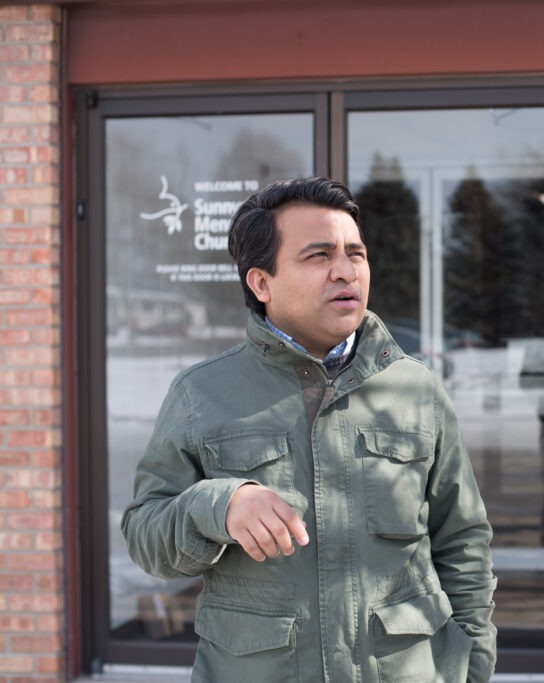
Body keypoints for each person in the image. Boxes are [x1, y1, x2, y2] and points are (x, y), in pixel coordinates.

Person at [122, 176, 497, 682]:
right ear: (262, 283)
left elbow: (463, 540)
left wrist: (471, 665)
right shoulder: (201, 394)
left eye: (355, 254)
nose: (345, 271)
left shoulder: (416, 388)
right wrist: (219, 505)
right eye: (319, 256)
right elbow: (146, 534)